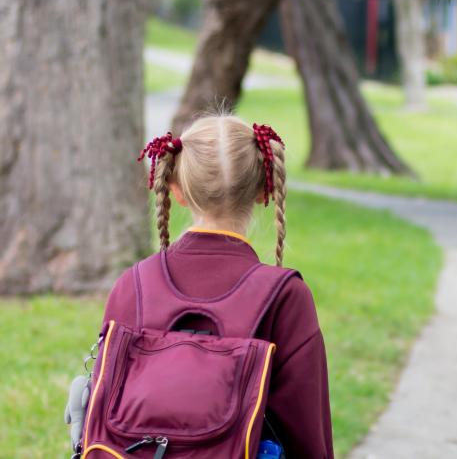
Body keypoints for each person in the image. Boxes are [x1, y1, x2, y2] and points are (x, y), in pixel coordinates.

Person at [100, 115, 334, 458]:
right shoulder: (284, 296)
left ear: (176, 189)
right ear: (263, 190)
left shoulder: (132, 286)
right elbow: (306, 434)